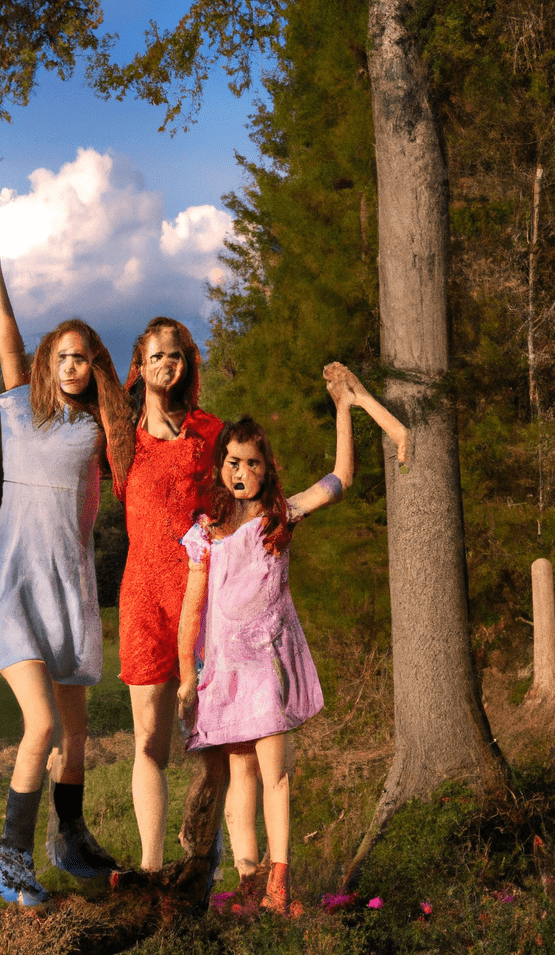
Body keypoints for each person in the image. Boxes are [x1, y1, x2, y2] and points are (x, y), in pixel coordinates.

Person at [0, 174, 134, 906]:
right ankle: (10, 863)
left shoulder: (101, 429)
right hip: (15, 585)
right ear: (47, 362)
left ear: (93, 368)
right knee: (39, 725)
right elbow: (0, 312)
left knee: (77, 736)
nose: (72, 364)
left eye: (84, 356)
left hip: (69, 587)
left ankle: (71, 841)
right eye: (63, 354)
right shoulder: (22, 409)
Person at [176, 365, 402, 917]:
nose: (241, 472)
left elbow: (341, 478)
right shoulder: (206, 534)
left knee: (275, 774)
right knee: (240, 776)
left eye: (252, 463)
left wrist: (343, 407)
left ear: (265, 471)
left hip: (267, 667)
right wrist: (187, 677)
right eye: (233, 462)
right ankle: (249, 884)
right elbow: (191, 609)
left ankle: (280, 887)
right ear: (221, 467)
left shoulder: (282, 516)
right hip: (225, 673)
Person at [117, 317, 227, 872]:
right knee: (148, 739)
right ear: (140, 364)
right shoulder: (120, 438)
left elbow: (244, 495)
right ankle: (152, 871)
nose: (167, 363)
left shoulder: (210, 431)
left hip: (199, 600)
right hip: (140, 598)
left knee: (214, 741)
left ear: (189, 364)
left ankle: (209, 866)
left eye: (176, 355)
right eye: (157, 355)